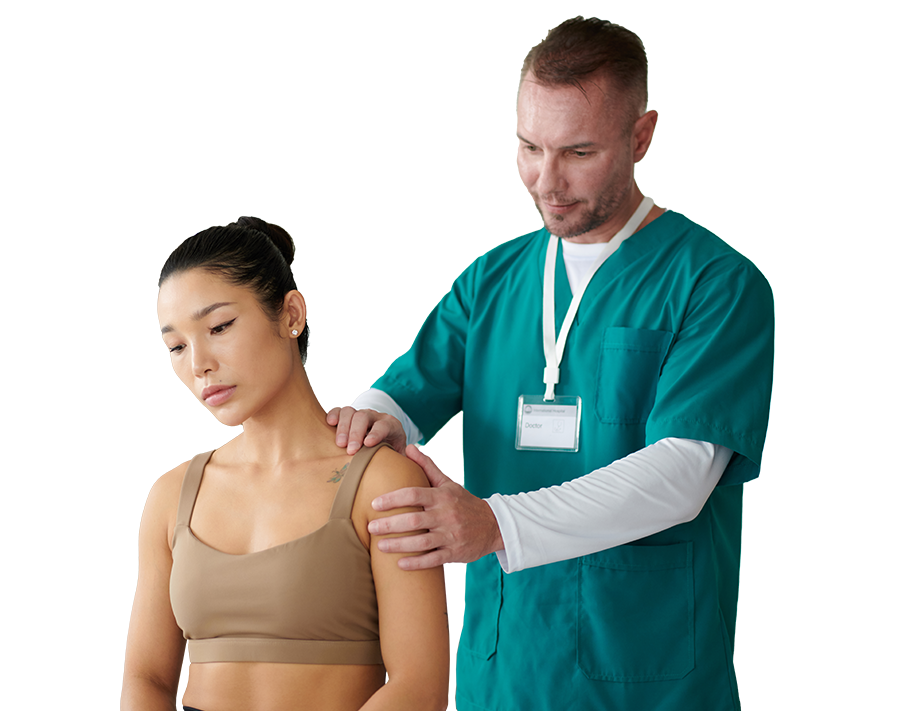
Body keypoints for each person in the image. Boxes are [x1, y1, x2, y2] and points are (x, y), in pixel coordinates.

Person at [326, 16, 773, 711]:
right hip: (503, 673)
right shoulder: (492, 281)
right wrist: (361, 426)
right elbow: (399, 401)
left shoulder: (716, 283)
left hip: (649, 678)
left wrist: (497, 523)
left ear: (641, 137)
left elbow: (683, 475)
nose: (546, 181)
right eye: (528, 147)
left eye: (578, 151)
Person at [123, 217, 449, 711]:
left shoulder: (383, 482)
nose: (198, 363)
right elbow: (146, 678)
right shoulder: (171, 496)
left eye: (219, 327)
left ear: (290, 314)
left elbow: (422, 687)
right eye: (177, 346)